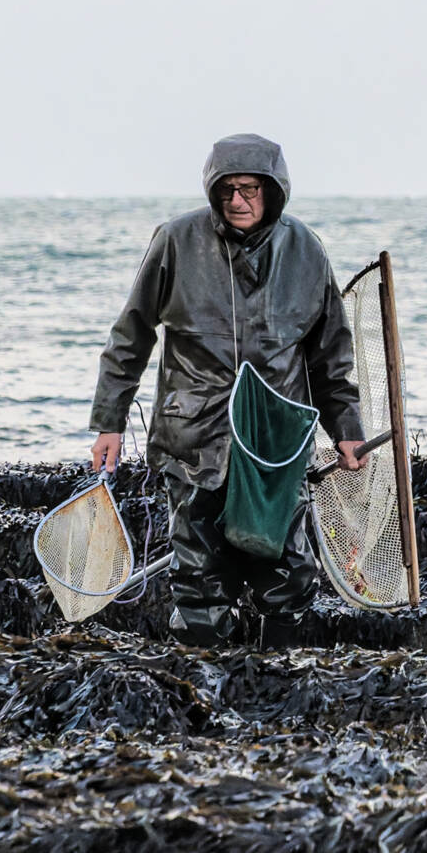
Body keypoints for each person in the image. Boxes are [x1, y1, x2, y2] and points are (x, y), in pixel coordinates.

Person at [89, 133, 367, 647]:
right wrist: (109, 422)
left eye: (250, 189)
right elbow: (131, 335)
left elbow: (330, 354)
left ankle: (276, 675)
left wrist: (347, 429)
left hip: (276, 445)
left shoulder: (306, 249)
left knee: (288, 572)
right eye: (227, 189)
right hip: (194, 437)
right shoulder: (176, 241)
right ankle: (205, 679)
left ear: (273, 190)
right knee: (199, 577)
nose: (237, 201)